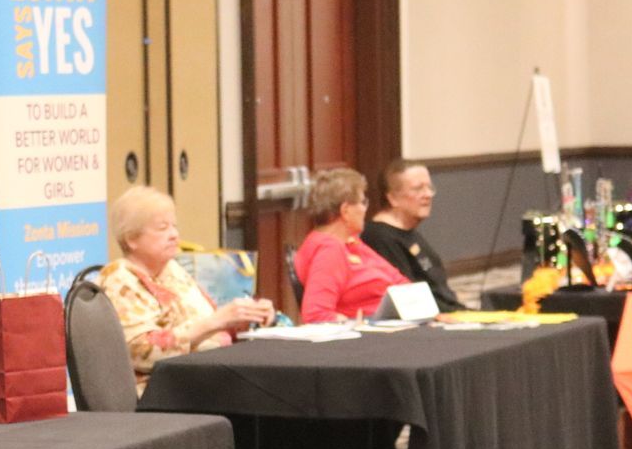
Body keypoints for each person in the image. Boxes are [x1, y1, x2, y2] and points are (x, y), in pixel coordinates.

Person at [99, 185, 275, 394]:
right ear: (131, 239)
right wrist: (215, 322)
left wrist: (245, 317)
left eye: (174, 226)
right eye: (162, 228)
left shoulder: (173, 270)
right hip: (161, 391)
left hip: (202, 376)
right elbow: (142, 351)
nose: (174, 235)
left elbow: (210, 327)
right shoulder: (119, 279)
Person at [293, 168, 407, 324]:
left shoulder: (351, 242)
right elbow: (316, 315)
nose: (365, 208)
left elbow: (399, 280)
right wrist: (349, 323)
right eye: (362, 202)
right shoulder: (329, 250)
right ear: (345, 210)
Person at [362, 160, 466, 312]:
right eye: (418, 189)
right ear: (393, 198)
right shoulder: (380, 238)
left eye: (429, 187)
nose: (428, 195)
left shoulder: (408, 231)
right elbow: (409, 298)